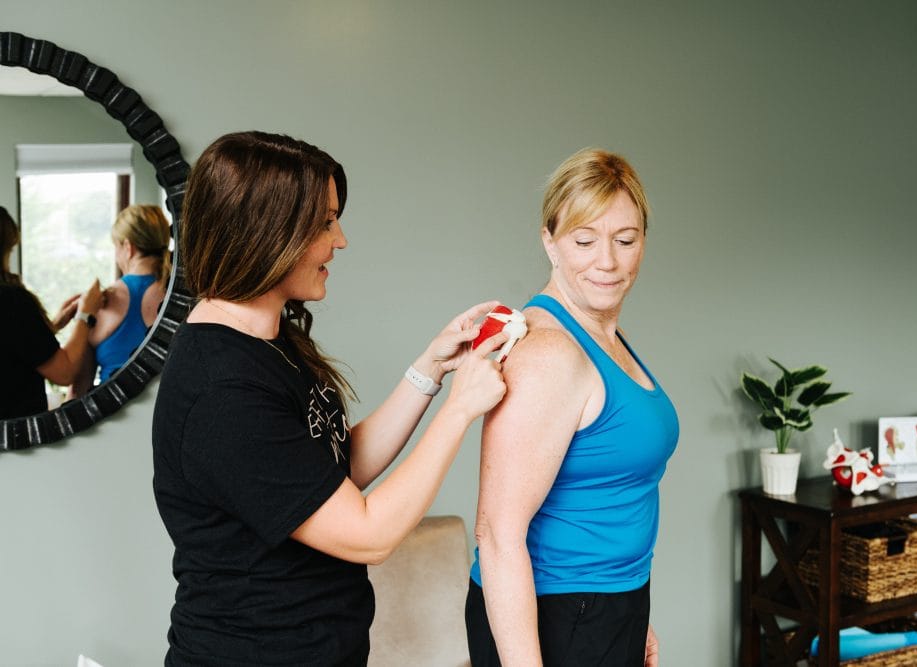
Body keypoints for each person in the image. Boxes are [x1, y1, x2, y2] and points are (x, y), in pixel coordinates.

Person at [151, 131, 508, 666]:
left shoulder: (266, 339)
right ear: (267, 230)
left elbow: (331, 471)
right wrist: (460, 409)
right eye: (324, 222)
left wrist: (430, 370)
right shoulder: (221, 391)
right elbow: (368, 534)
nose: (339, 240)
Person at [465, 149, 680, 666]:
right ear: (550, 242)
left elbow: (607, 489)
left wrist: (630, 612)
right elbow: (497, 535)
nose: (606, 261)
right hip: (553, 617)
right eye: (584, 240)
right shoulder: (549, 352)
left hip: (606, 604)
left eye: (624, 240)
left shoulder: (603, 334)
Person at [0, 205, 102, 419]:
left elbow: (11, 346)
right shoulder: (11, 301)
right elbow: (64, 373)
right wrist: (85, 315)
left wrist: (51, 327)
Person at [68, 204, 171, 395]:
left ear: (127, 247)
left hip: (112, 420)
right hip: (166, 419)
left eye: (116, 247)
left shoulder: (101, 303)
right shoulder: (179, 299)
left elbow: (78, 392)